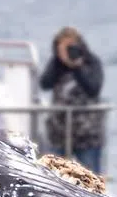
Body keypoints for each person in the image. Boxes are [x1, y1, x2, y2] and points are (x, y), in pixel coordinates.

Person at [39, 27, 106, 174]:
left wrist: (77, 67)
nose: (69, 51)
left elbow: (93, 88)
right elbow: (45, 83)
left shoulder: (91, 62)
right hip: (59, 132)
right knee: (53, 176)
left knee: (90, 178)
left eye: (71, 46)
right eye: (64, 47)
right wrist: (58, 60)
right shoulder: (57, 64)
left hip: (87, 134)